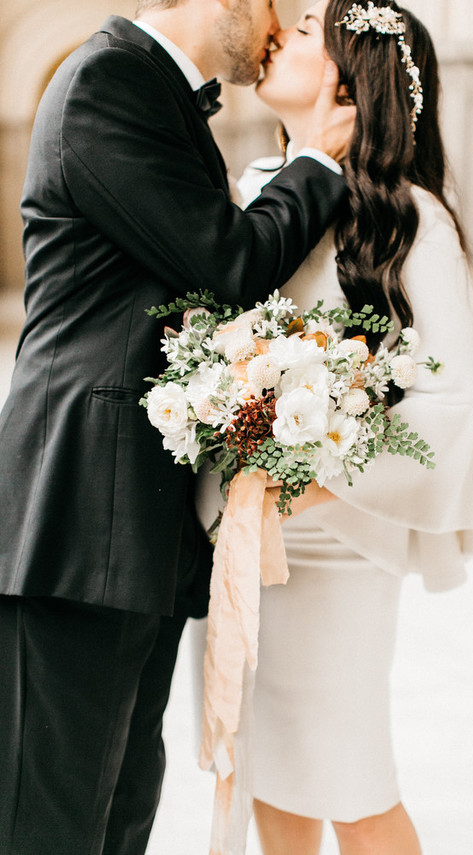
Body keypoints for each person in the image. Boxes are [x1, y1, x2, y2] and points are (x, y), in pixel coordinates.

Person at [0, 0, 357, 853]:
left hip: (131, 529)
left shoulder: (160, 93)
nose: (282, 26)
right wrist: (314, 163)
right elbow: (227, 263)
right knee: (48, 824)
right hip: (78, 517)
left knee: (117, 816)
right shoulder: (107, 80)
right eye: (279, 4)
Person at [194, 1, 473, 852]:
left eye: (306, 29)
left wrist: (319, 467)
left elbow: (453, 413)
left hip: (337, 551)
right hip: (237, 540)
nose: (278, 31)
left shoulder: (411, 222)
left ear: (350, 82)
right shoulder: (245, 195)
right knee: (274, 776)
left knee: (349, 779)